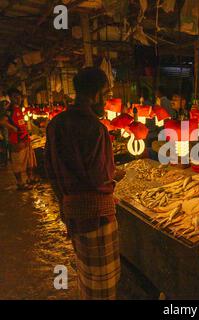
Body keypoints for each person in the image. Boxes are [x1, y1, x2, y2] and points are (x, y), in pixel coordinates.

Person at [45, 67, 124, 300]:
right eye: (107, 94)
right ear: (97, 94)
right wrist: (114, 177)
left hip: (71, 211)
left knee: (86, 275)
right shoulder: (94, 128)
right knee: (103, 283)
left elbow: (51, 169)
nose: (107, 100)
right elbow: (99, 177)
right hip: (96, 216)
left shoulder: (56, 124)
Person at [6, 88, 37, 190]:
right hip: (16, 141)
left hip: (25, 139)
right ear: (10, 98)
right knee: (18, 163)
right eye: (15, 97)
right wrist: (13, 128)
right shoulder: (9, 110)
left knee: (29, 161)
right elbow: (2, 121)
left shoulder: (19, 108)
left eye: (19, 97)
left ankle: (29, 178)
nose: (17, 99)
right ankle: (20, 183)